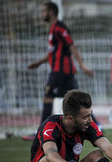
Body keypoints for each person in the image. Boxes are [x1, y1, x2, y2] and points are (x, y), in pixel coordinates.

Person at [22, 2, 97, 141]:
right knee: (77, 100)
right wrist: (38, 63)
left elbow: (72, 46)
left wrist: (82, 65)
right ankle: (96, 125)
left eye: (44, 11)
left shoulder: (59, 27)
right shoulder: (52, 29)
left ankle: (40, 133)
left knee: (48, 97)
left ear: (51, 12)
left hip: (61, 72)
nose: (42, 14)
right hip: (62, 72)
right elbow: (53, 54)